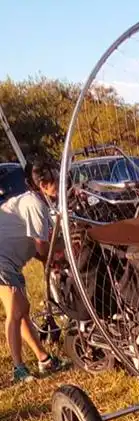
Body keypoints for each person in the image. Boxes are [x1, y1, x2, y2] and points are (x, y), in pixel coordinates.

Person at [0, 158, 64, 383]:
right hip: (2, 261)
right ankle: (18, 369)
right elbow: (42, 247)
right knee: (15, 313)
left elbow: (37, 247)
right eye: (50, 181)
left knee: (23, 310)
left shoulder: (36, 203)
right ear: (39, 185)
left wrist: (52, 257)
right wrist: (60, 254)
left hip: (9, 261)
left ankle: (44, 359)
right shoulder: (36, 205)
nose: (56, 184)